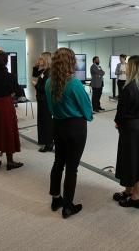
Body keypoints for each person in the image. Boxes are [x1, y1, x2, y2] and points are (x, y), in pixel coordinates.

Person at [45, 48, 93, 219]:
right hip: (75, 128)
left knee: (58, 162)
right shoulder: (74, 83)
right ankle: (67, 207)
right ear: (71, 62)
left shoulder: (49, 82)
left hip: (57, 126)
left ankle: (56, 199)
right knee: (72, 169)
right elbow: (88, 111)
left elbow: (50, 108)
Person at [113, 55, 139, 209]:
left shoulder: (128, 88)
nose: (126, 67)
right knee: (136, 160)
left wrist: (117, 123)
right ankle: (128, 191)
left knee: (131, 160)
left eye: (128, 65)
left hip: (129, 128)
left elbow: (121, 112)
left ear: (134, 67)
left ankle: (136, 197)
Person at [32, 52, 54, 152]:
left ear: (45, 59)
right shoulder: (44, 70)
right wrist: (36, 66)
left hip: (45, 100)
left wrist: (35, 85)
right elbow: (35, 74)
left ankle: (48, 143)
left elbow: (45, 88)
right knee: (43, 121)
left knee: (45, 122)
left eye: (41, 59)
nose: (39, 60)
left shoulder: (48, 72)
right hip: (42, 99)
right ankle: (46, 142)